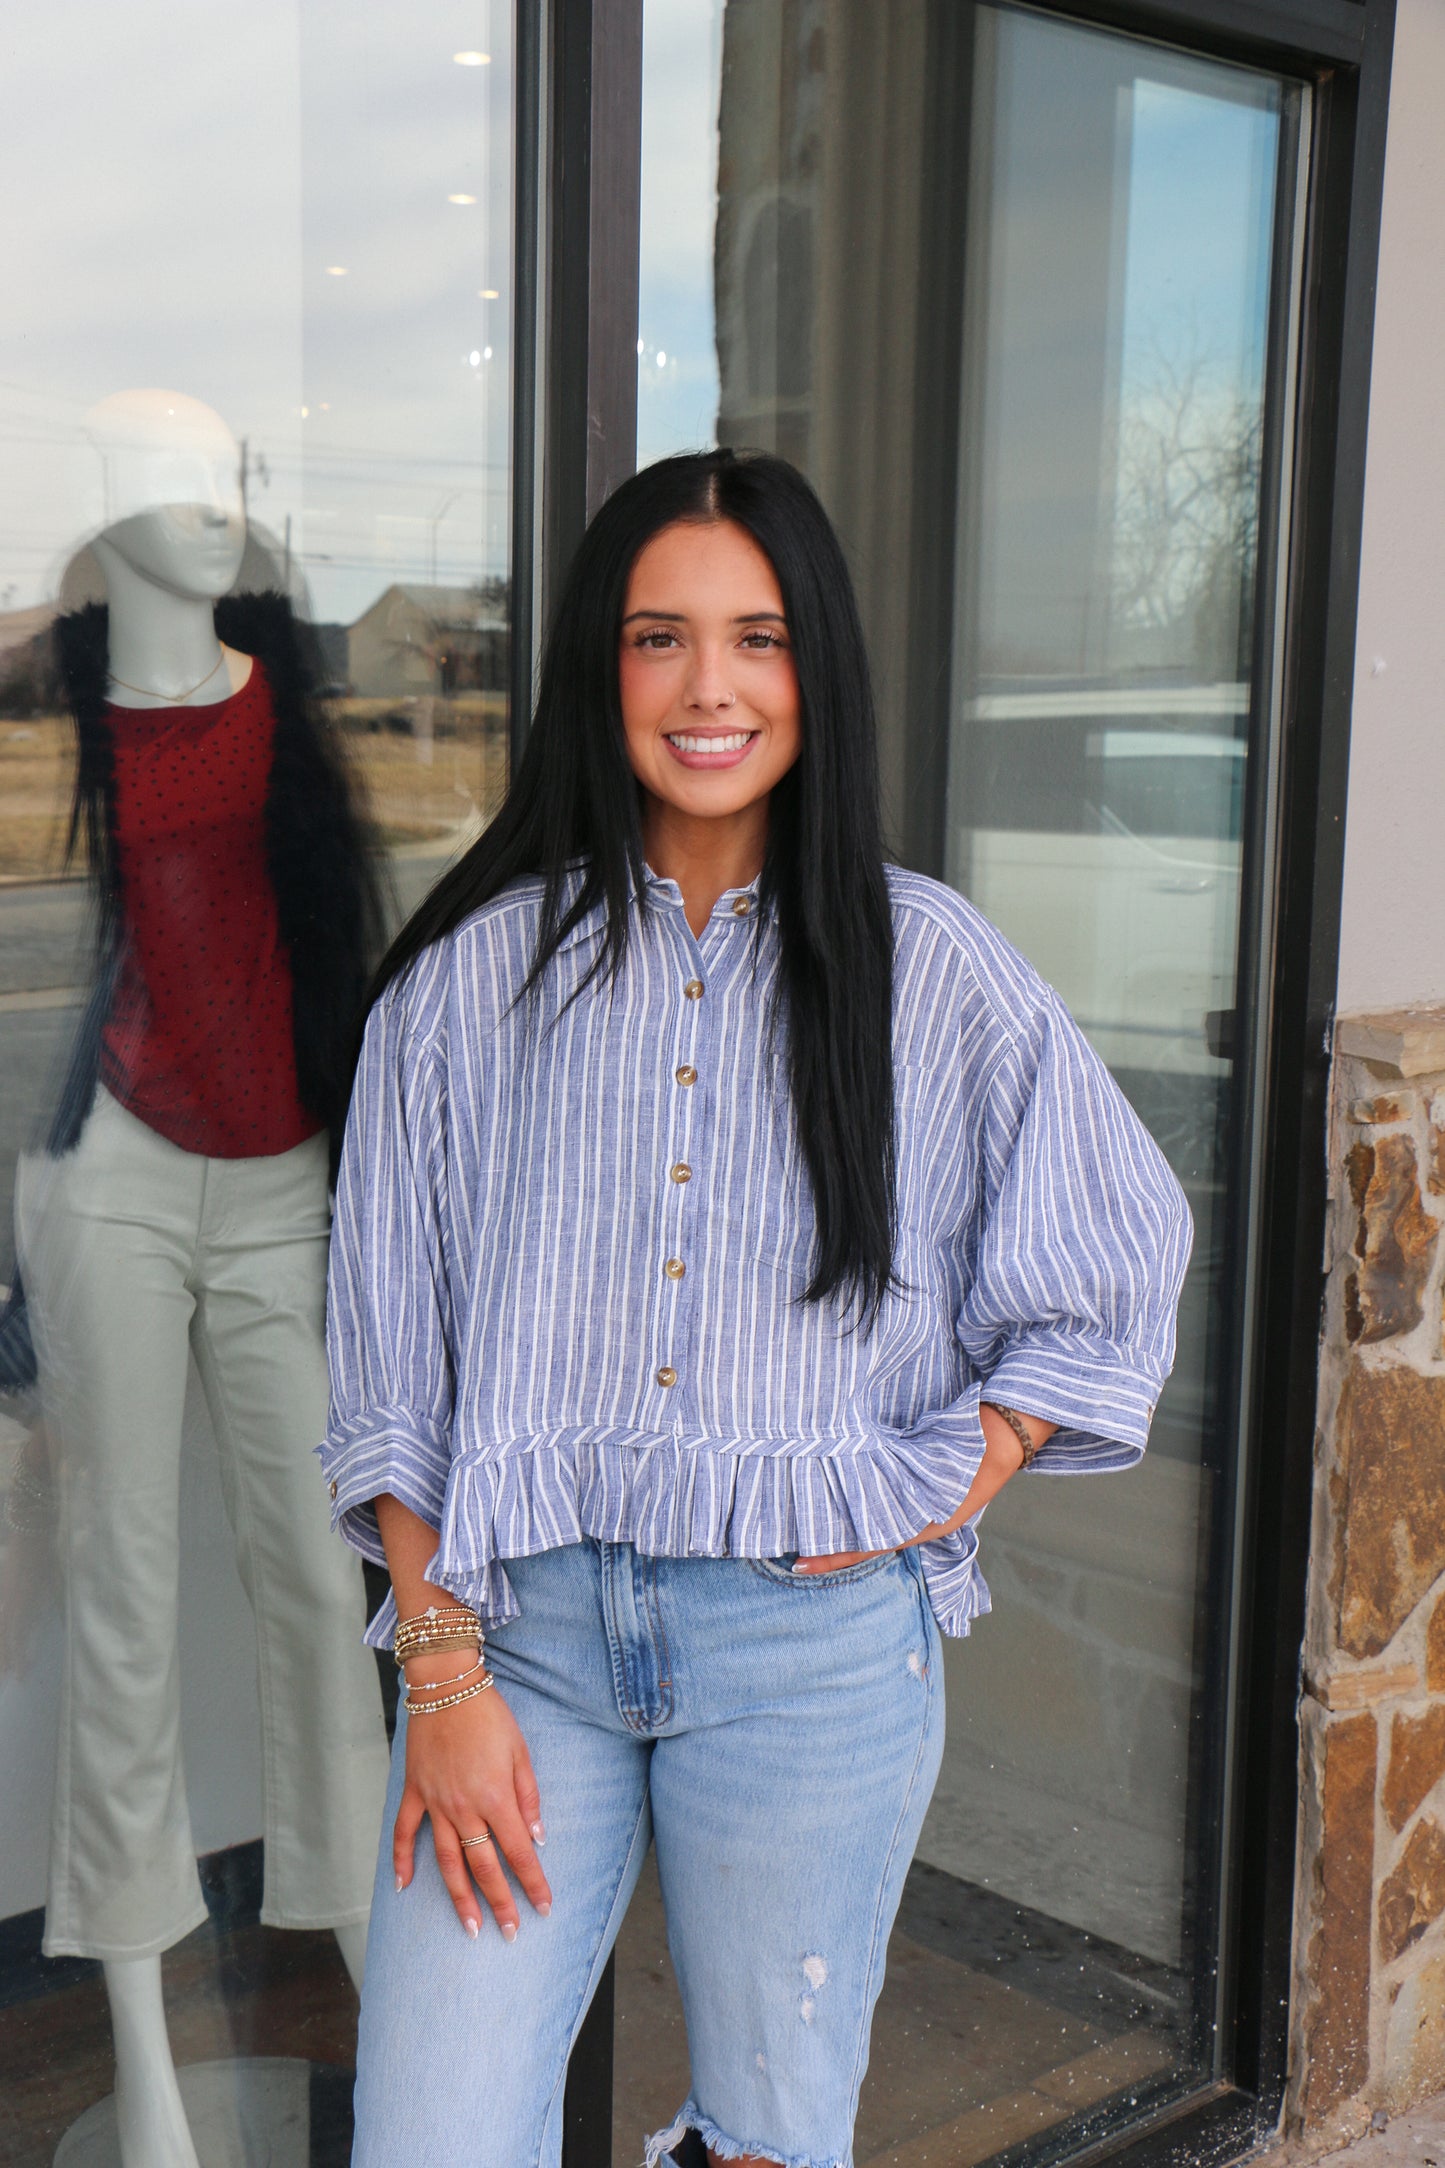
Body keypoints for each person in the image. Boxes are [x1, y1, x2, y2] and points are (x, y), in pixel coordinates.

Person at [322, 448, 1193, 2168]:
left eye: (758, 637)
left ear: (818, 671)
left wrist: (977, 1456)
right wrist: (441, 1675)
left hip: (811, 1661)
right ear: (601, 667)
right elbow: (387, 1365)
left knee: (768, 2144)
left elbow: (1115, 1242)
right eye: (659, 638)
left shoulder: (927, 967)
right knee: (430, 2134)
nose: (709, 687)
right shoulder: (467, 985)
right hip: (520, 1652)